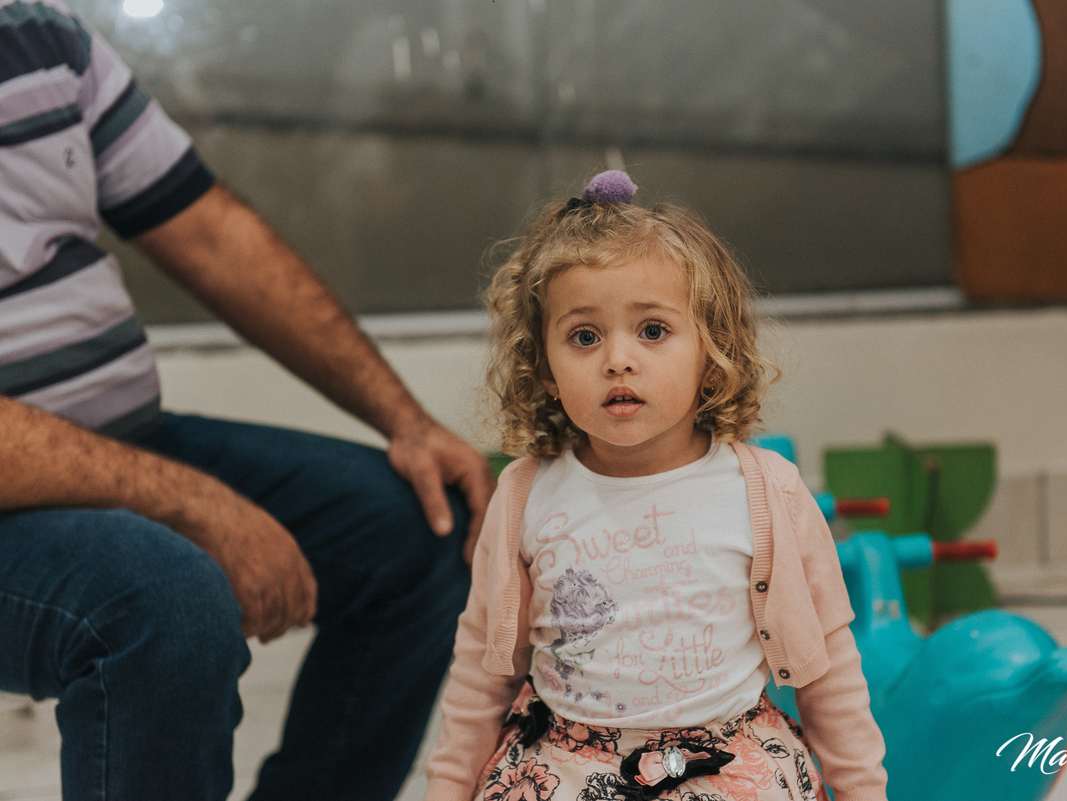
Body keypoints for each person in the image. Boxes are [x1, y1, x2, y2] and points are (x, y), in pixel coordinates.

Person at [0, 1, 494, 799]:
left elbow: (209, 233)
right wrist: (194, 502)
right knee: (166, 602)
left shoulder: (37, 37)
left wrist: (406, 421)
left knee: (423, 529)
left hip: (121, 437)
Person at [423, 171, 888, 801]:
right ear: (545, 369)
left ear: (711, 353)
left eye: (652, 331)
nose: (618, 359)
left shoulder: (766, 492)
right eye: (584, 337)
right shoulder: (525, 496)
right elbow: (482, 672)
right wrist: (449, 787)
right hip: (566, 769)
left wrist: (863, 791)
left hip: (726, 767)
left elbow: (827, 668)